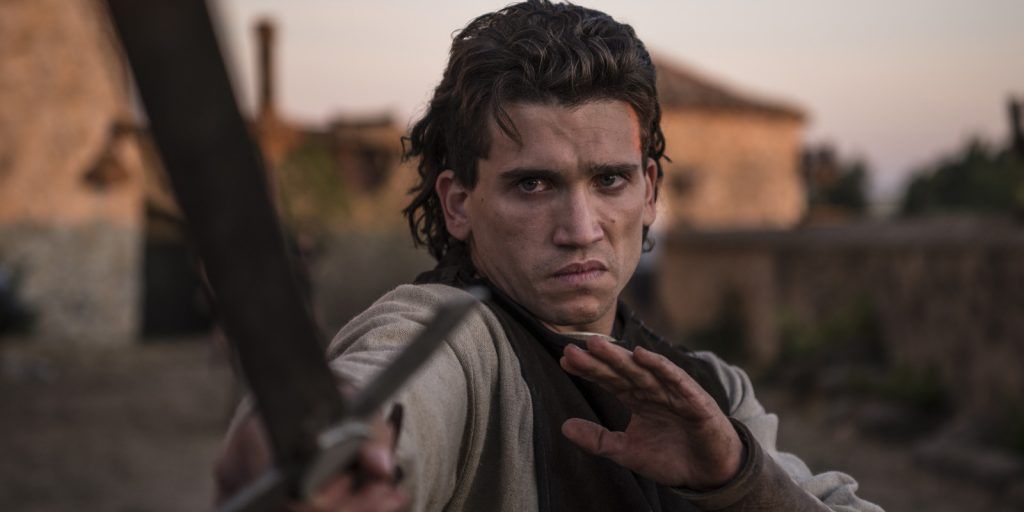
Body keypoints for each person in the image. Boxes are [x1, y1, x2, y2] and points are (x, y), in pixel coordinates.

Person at [217, 2, 883, 511]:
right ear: (458, 203)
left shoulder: (713, 390)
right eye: (533, 185)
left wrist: (735, 476)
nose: (580, 228)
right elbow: (392, 382)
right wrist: (327, 434)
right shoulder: (465, 350)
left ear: (650, 191)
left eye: (610, 180)